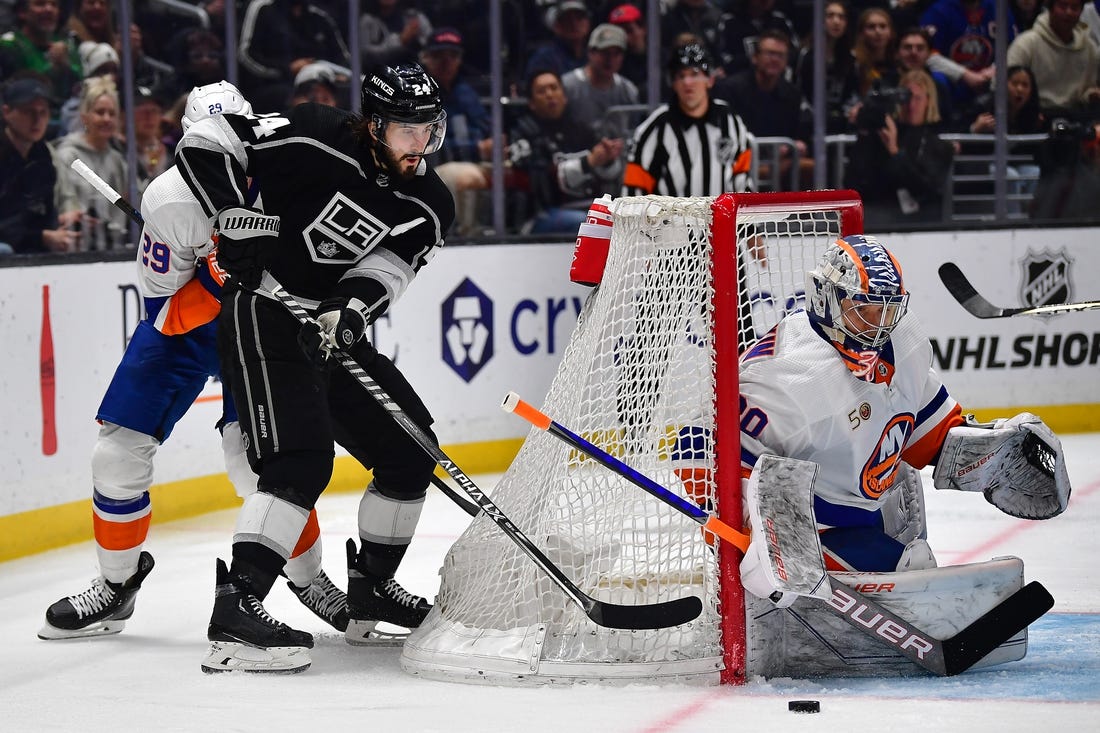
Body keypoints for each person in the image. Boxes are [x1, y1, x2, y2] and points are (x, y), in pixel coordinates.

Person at [38, 81, 351, 641]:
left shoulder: (290, 181)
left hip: (259, 328)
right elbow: (166, 316)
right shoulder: (169, 202)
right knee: (116, 455)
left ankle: (308, 579)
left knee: (256, 466)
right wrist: (215, 275)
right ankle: (116, 585)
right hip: (189, 327)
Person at [173, 63, 454, 673]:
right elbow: (207, 140)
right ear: (375, 125)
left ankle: (371, 589)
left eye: (430, 129)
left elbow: (387, 270)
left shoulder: (430, 203)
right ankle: (236, 612)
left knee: (412, 450)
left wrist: (349, 313)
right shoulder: (313, 133)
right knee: (300, 460)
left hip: (326, 332)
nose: (422, 144)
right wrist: (227, 217)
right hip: (263, 310)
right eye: (408, 130)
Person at [738, 235, 1070, 600]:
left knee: (914, 564)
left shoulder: (904, 338)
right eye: (865, 310)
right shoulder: (786, 377)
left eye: (888, 310)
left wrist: (985, 451)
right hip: (814, 530)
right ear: (826, 299)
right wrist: (762, 539)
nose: (879, 326)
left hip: (871, 510)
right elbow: (699, 445)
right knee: (915, 580)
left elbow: (923, 425)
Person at [622, 42, 755, 197]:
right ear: (673, 83)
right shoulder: (655, 128)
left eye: (695, 74)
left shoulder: (729, 120)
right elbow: (633, 191)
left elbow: (742, 182)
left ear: (710, 80)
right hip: (669, 221)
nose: (687, 82)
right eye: (681, 76)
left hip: (721, 220)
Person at [508, 68, 624, 235]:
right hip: (541, 213)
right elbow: (539, 183)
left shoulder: (580, 128)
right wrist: (588, 163)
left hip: (587, 206)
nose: (549, 95)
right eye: (541, 91)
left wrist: (608, 159)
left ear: (564, 96)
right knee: (587, 222)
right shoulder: (523, 133)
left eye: (554, 88)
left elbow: (607, 178)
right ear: (531, 103)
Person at [844, 68, 955, 227]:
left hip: (920, 224)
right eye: (906, 99)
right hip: (876, 218)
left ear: (928, 101)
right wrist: (864, 132)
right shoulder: (880, 135)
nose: (911, 105)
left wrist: (895, 152)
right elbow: (853, 183)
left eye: (917, 98)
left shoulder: (940, 146)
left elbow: (926, 191)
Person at [714, 29, 811, 191]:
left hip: (777, 162)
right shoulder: (730, 89)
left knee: (809, 167)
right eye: (770, 54)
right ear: (755, 57)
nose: (775, 59)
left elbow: (797, 133)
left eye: (780, 55)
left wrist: (796, 145)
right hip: (738, 162)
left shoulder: (792, 93)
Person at [0, 73, 78, 253]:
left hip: (29, 245)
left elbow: (42, 212)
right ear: (6, 112)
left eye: (43, 112)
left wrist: (60, 223)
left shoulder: (42, 155)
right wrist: (41, 236)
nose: (37, 120)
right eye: (29, 112)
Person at [50, 74, 129, 249]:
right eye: (100, 112)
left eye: (112, 113)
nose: (107, 118)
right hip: (74, 248)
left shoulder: (118, 160)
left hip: (114, 251)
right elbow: (65, 204)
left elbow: (122, 213)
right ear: (84, 117)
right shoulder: (67, 155)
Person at [238, 0, 351, 113]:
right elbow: (245, 55)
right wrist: (288, 69)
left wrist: (340, 75)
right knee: (299, 99)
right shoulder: (263, 8)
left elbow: (343, 58)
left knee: (351, 93)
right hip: (273, 83)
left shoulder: (320, 17)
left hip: (321, 80)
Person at [1007, 0, 1100, 120]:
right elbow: (1002, 86)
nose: (1068, 12)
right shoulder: (1026, 44)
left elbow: (1089, 89)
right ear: (1050, 8)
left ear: (1081, 11)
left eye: (1074, 7)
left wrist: (1091, 95)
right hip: (1034, 119)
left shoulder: (1089, 48)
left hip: (1077, 120)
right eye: (1063, 6)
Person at [0, 0, 82, 131]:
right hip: (25, 124)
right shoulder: (9, 46)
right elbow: (24, 90)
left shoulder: (67, 44)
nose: (49, 9)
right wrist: (53, 67)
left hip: (68, 123)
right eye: (40, 4)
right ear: (23, 12)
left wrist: (66, 65)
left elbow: (81, 87)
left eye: (54, 5)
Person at [561, 22, 640, 140]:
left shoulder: (628, 90)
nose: (610, 59)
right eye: (605, 53)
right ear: (590, 52)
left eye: (616, 54)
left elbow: (633, 131)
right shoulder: (568, 86)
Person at [795, 0, 859, 134]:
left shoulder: (851, 58)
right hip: (810, 123)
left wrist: (849, 112)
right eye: (830, 16)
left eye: (841, 17)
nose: (836, 22)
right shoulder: (805, 55)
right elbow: (798, 90)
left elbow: (852, 93)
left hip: (840, 123)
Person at [524, 1, 592, 81]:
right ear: (556, 26)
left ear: (588, 23)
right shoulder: (544, 59)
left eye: (579, 18)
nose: (574, 24)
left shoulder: (593, 56)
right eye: (567, 19)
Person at [359, 0, 434, 69]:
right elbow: (366, 57)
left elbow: (431, 44)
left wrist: (418, 39)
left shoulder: (414, 16)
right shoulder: (367, 21)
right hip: (383, 77)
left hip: (415, 72)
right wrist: (401, 41)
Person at [607, 2, 647, 90]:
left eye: (629, 30)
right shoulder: (612, 64)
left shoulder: (660, 59)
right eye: (618, 33)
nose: (624, 37)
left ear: (643, 28)